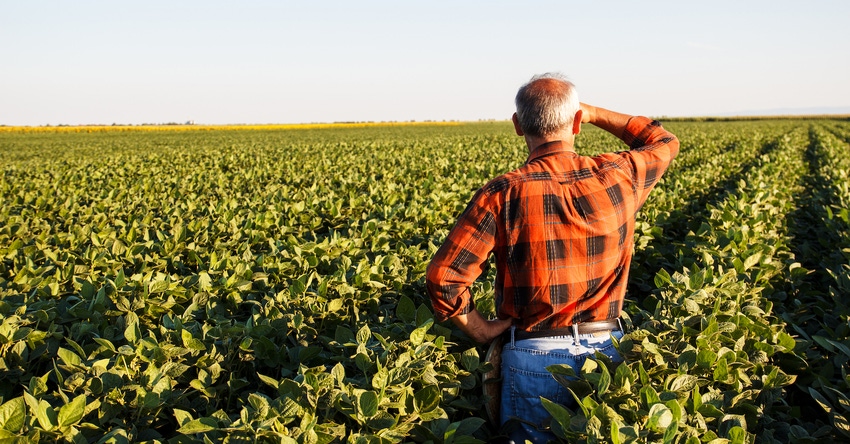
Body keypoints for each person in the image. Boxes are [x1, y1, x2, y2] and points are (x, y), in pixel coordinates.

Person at [425, 73, 679, 442]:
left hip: (532, 355)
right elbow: (663, 141)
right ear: (577, 122)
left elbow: (444, 278)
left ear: (517, 126)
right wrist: (593, 113)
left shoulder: (501, 193)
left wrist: (481, 329)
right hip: (605, 353)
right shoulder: (619, 175)